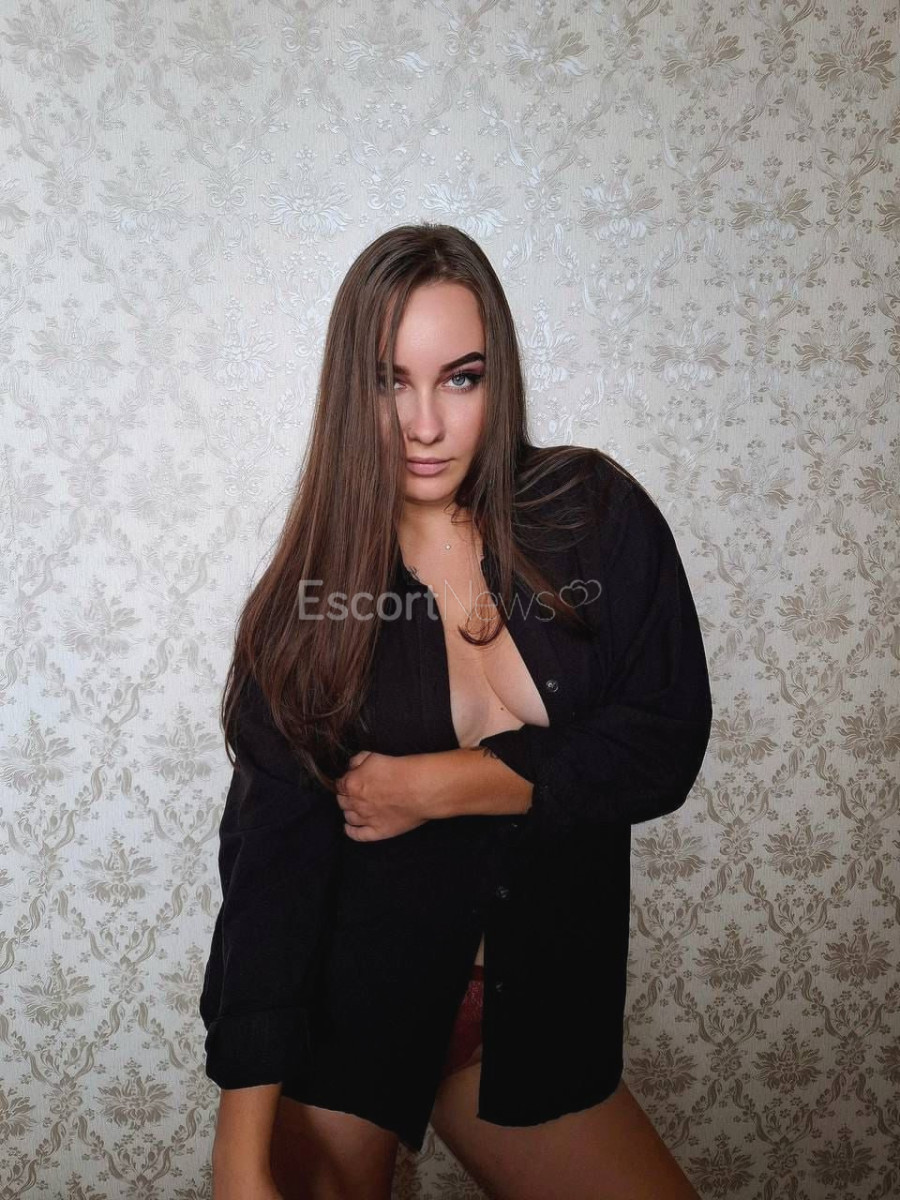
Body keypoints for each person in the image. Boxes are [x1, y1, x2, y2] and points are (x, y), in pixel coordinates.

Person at [200, 223, 713, 1200]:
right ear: (349, 391)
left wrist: (447, 785)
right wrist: (240, 1156)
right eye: (389, 382)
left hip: (532, 1012)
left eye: (459, 379)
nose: (423, 424)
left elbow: (666, 738)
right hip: (345, 1017)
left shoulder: (590, 515)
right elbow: (269, 881)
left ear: (497, 376)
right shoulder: (309, 604)